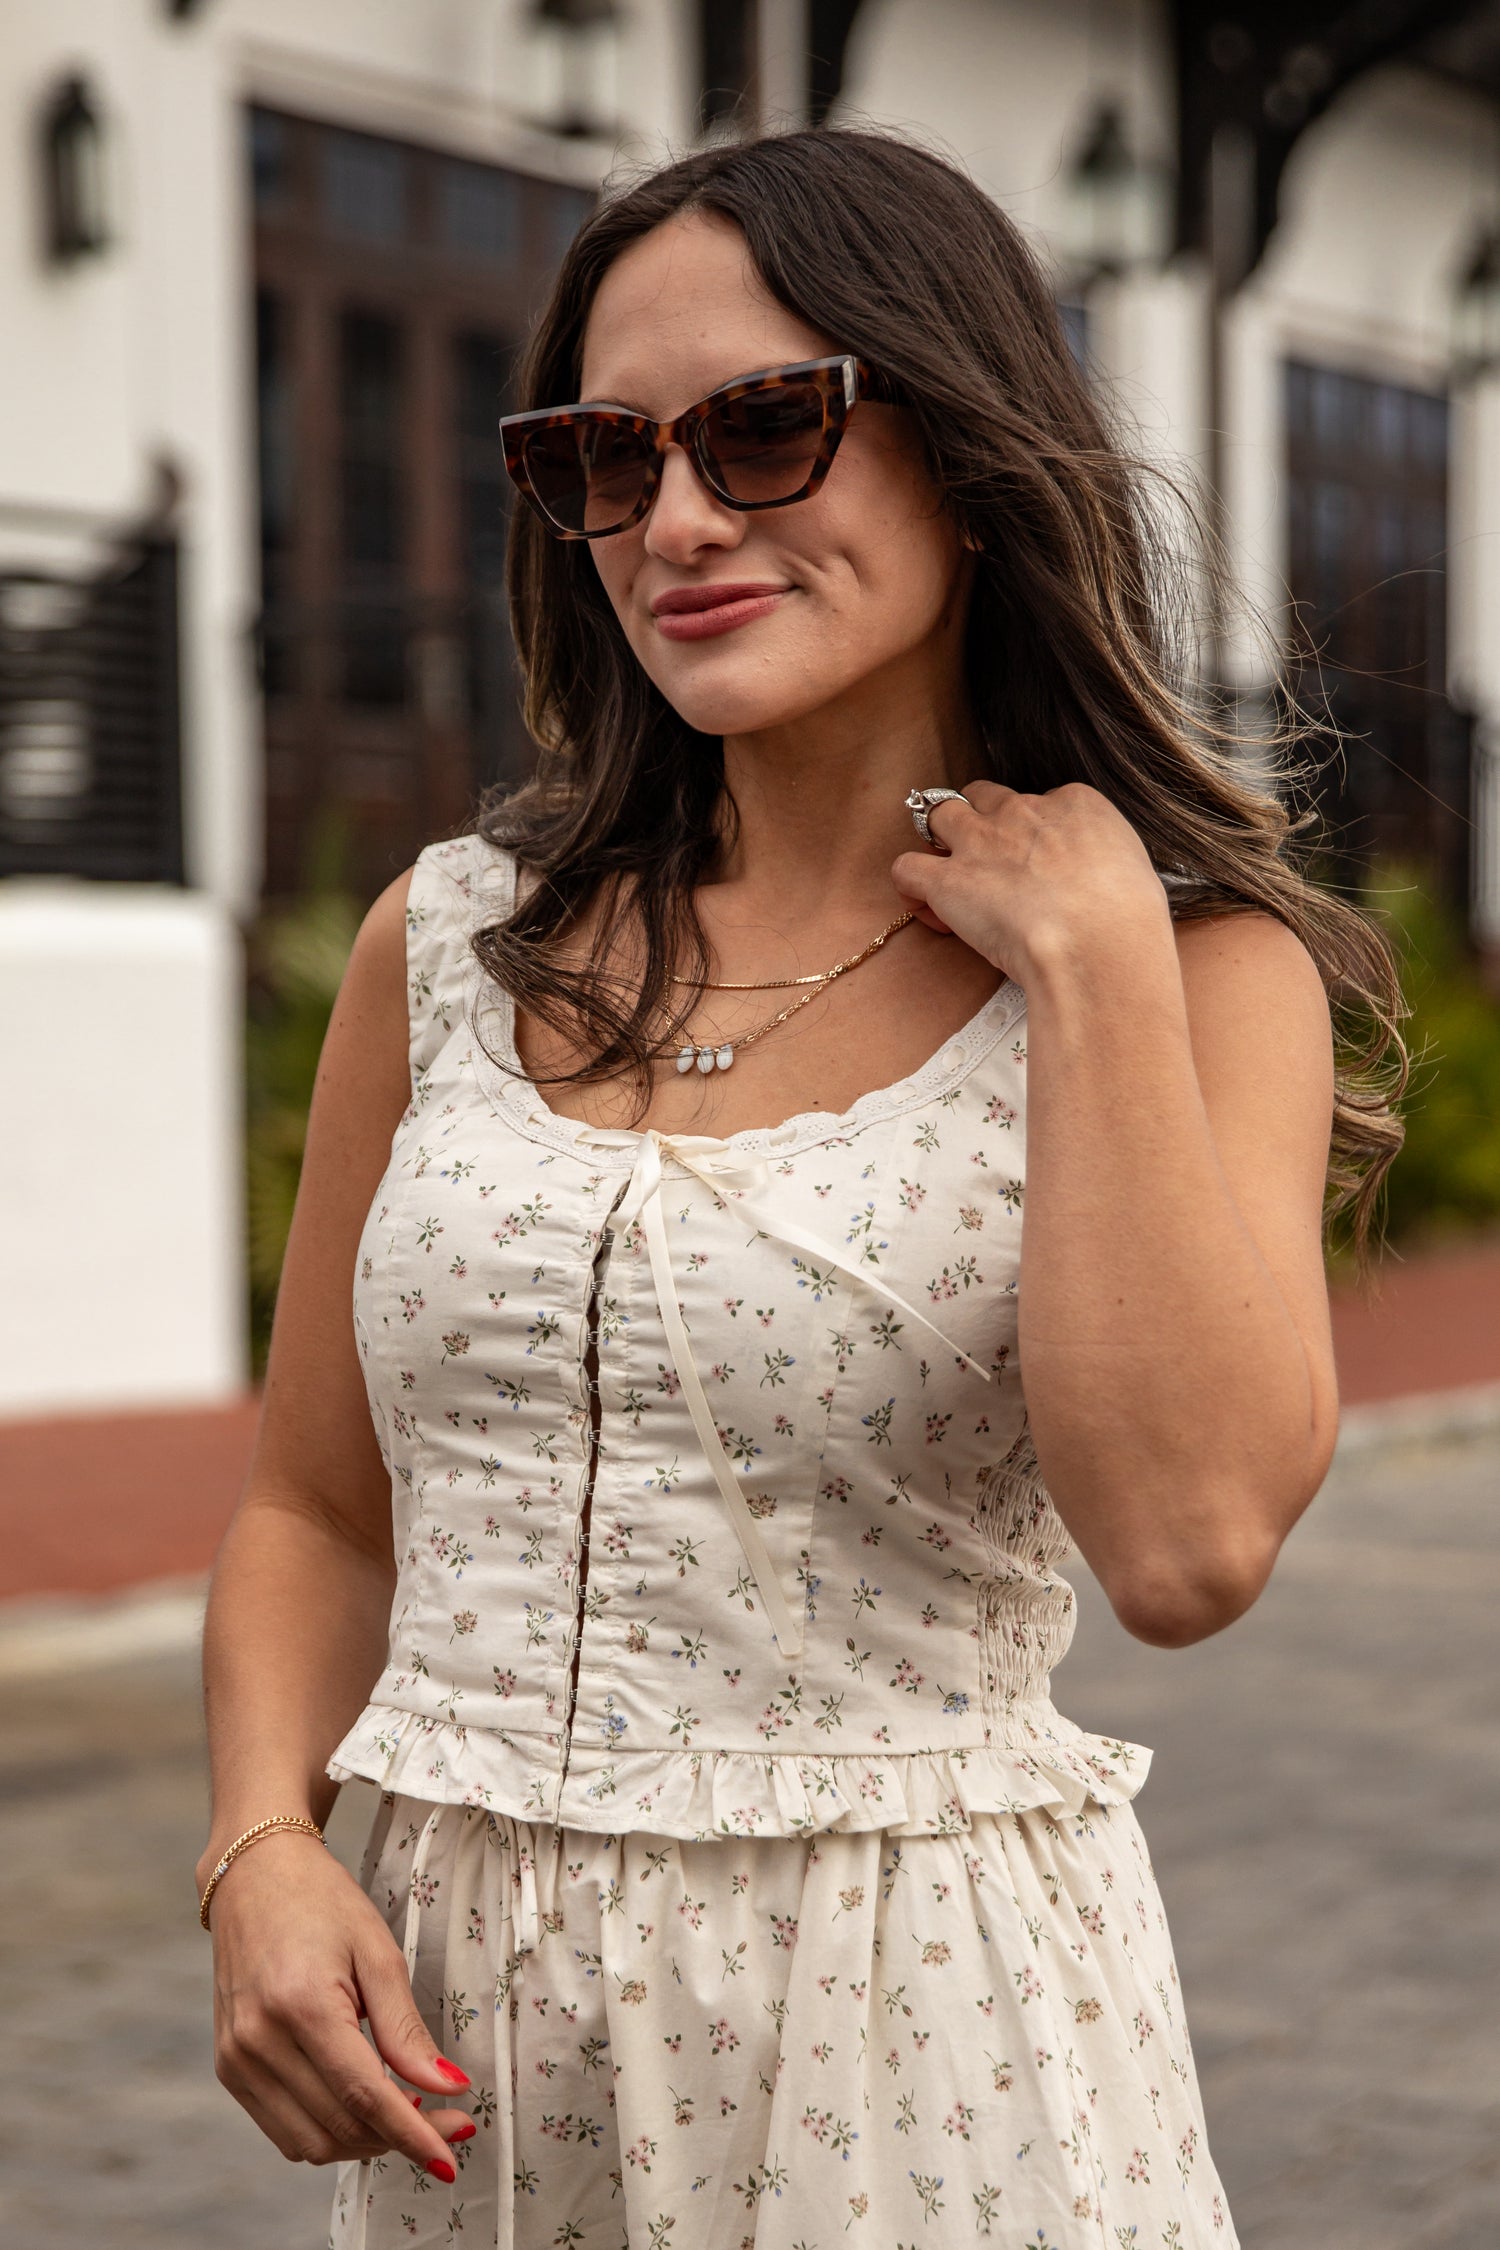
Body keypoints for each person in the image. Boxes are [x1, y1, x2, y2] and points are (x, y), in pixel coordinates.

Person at [196, 128, 1403, 2249]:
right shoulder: (455, 944)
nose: (674, 522)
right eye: (602, 453)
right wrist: (258, 1850)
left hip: (919, 2055)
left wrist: (1100, 962)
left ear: (963, 446)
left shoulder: (1199, 976)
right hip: (486, 2090)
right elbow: (314, 1507)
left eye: (765, 429)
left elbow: (1195, 1546)